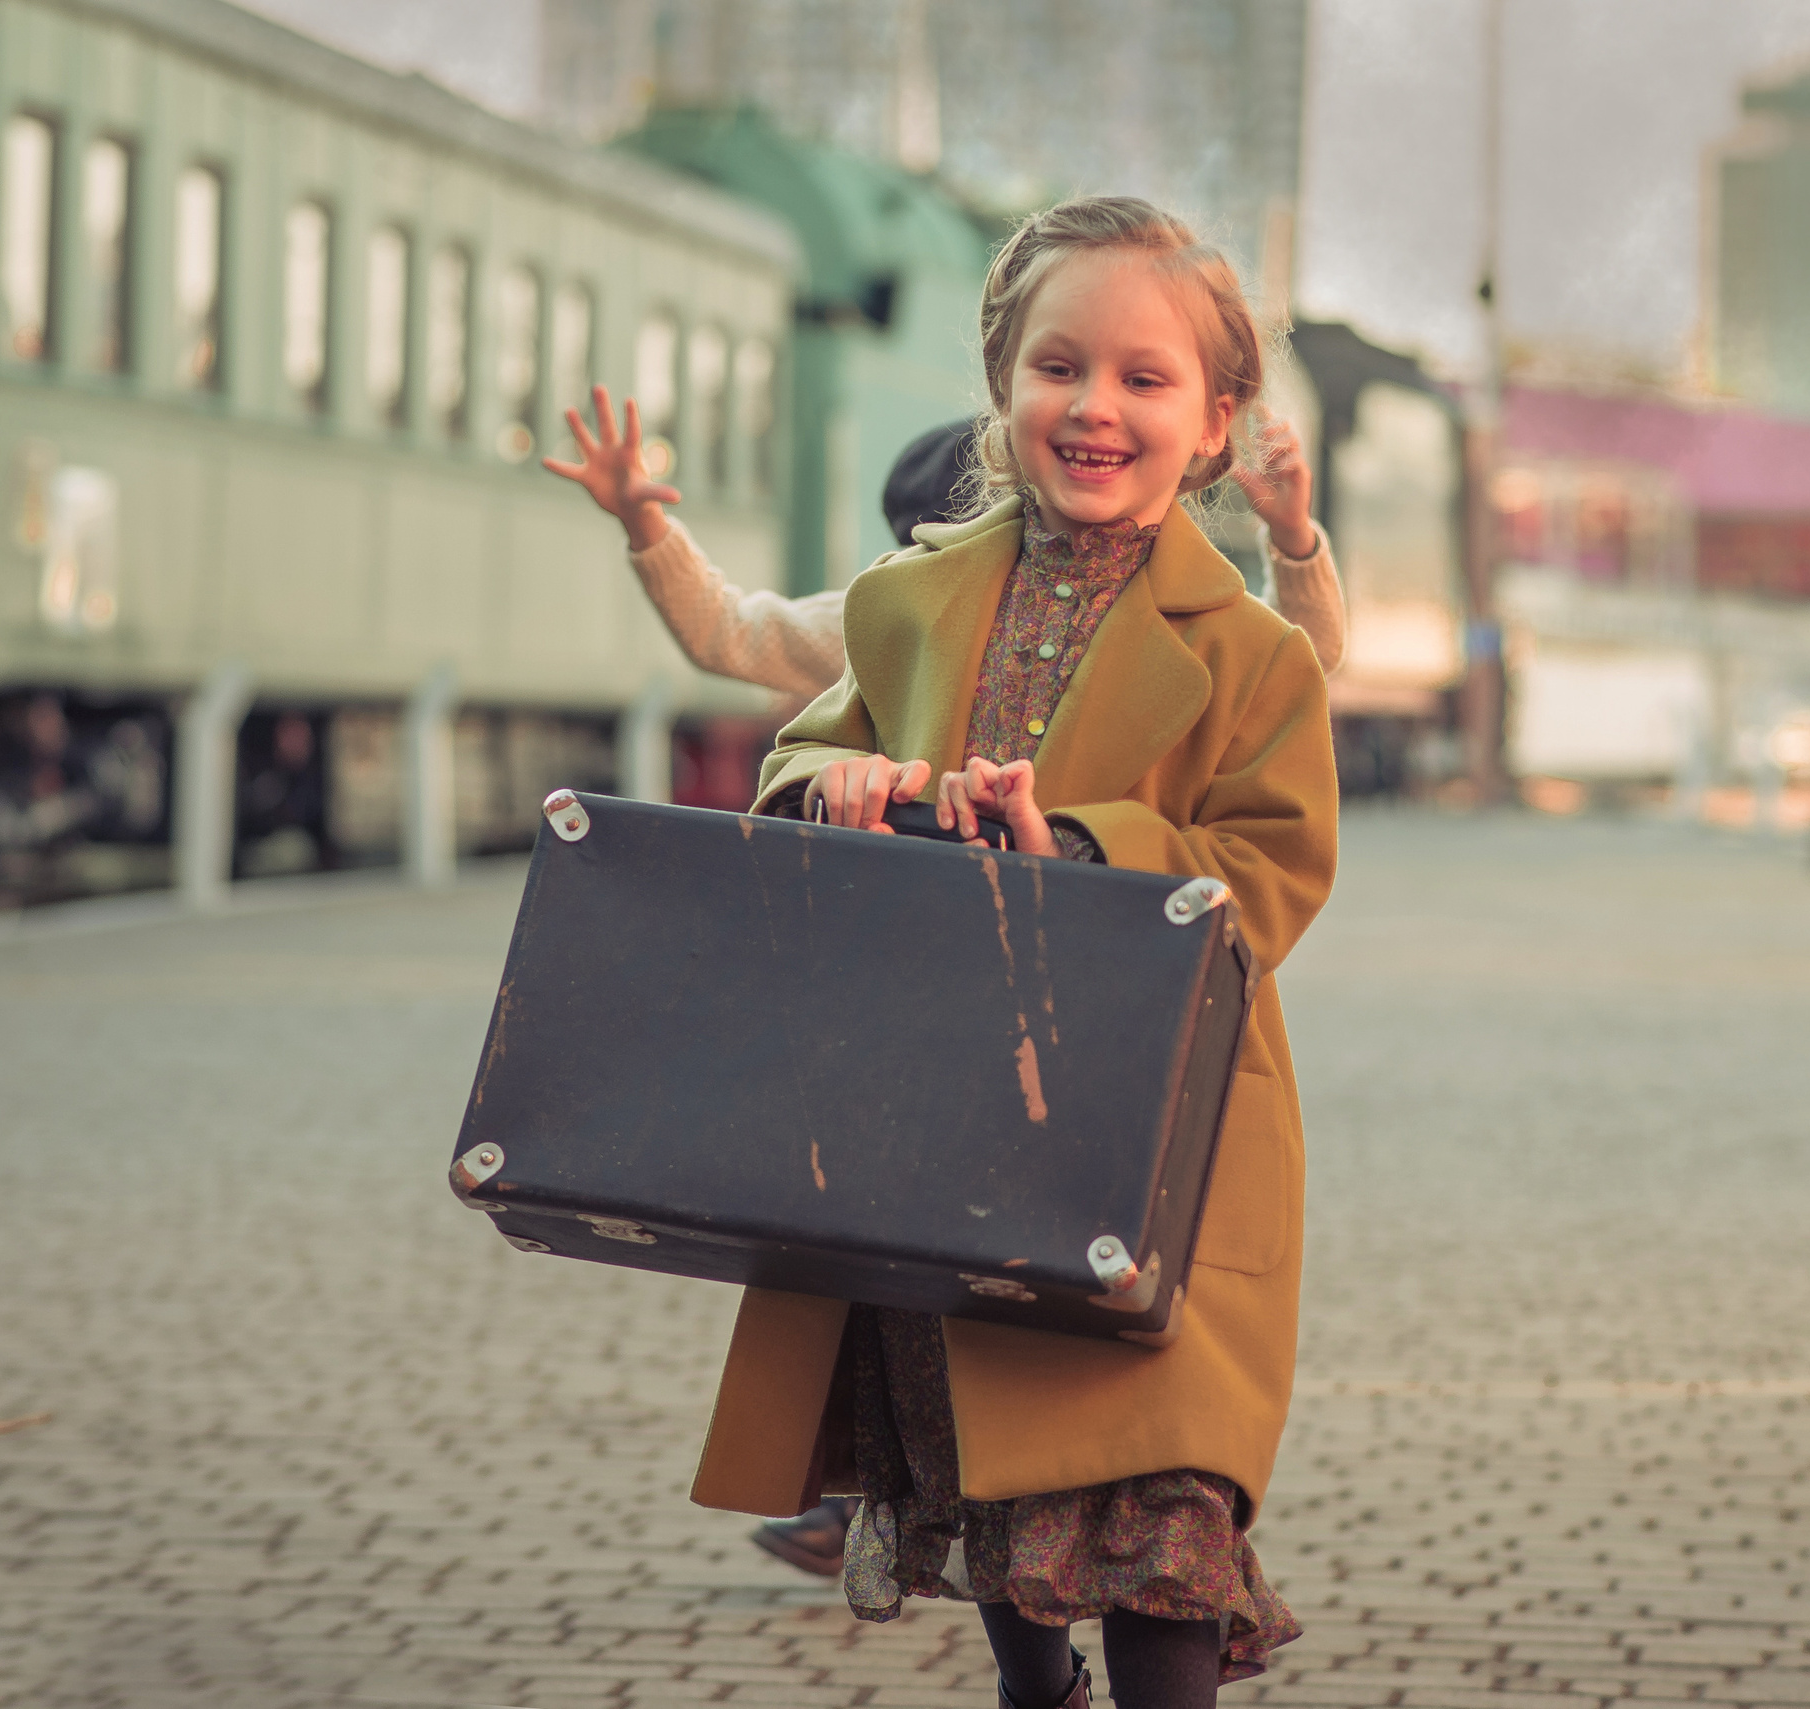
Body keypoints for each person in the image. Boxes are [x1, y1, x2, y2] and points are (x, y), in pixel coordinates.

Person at [688, 197, 1338, 1709]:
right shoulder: (907, 604)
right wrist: (836, 788)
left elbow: (1274, 867)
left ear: (1216, 421)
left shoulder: (1257, 655)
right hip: (946, 1119)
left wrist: (1088, 845)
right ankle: (1035, 1690)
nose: (1096, 405)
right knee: (996, 1484)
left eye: (1144, 377)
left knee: (1164, 1501)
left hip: (1155, 1131)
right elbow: (795, 765)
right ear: (1002, 386)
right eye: (1060, 367)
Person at [541, 392, 1344, 708]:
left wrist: (1292, 537)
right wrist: (644, 525)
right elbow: (730, 632)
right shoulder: (903, 618)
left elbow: (1292, 662)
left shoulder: (1131, 611)